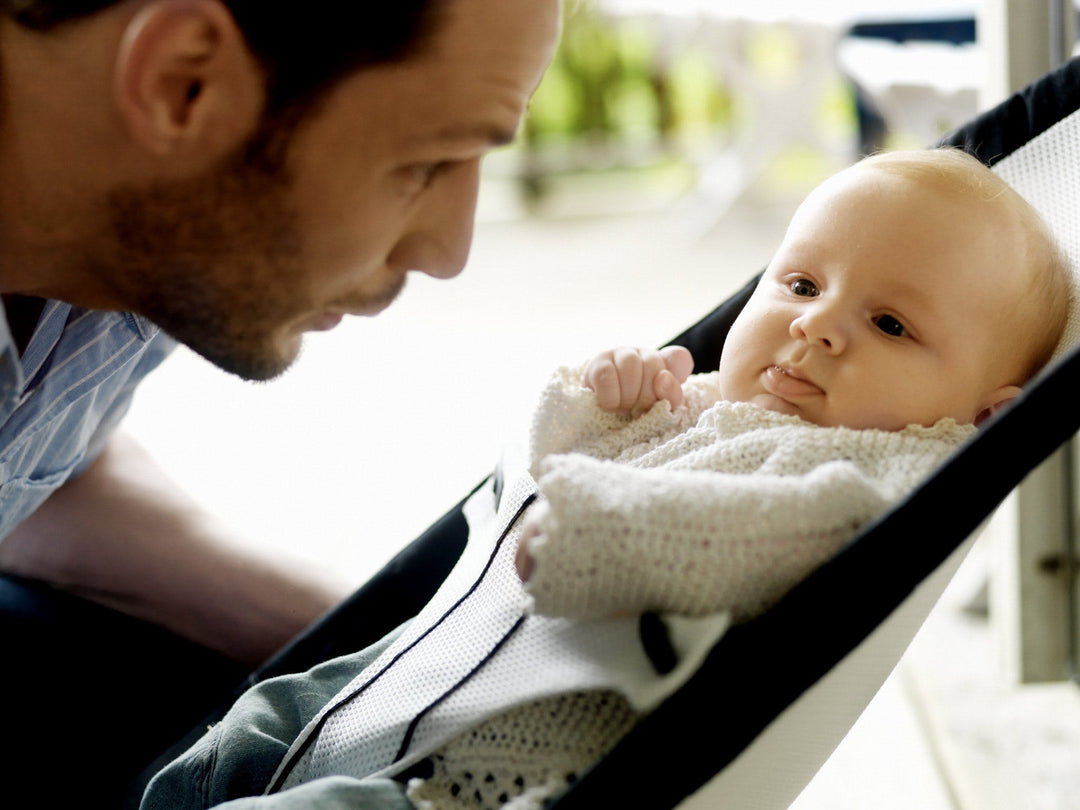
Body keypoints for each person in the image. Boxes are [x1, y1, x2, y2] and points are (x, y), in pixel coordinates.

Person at [141, 146, 1071, 810]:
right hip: (397, 686)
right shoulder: (703, 399)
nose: (818, 328)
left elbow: (748, 536)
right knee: (230, 740)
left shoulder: (869, 479)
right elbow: (540, 476)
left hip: (473, 780)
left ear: (983, 419)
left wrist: (593, 529)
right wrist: (599, 407)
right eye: (798, 284)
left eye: (892, 326)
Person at [0, 0, 560, 803]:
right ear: (182, 84)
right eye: (427, 163)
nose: (449, 251)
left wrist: (395, 654)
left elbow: (42, 479)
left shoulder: (143, 233)